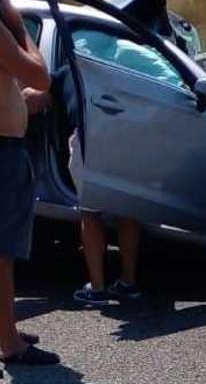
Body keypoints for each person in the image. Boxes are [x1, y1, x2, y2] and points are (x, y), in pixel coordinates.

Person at [24, 30, 160, 306]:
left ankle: (97, 288)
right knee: (128, 211)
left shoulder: (64, 73)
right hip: (124, 139)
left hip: (89, 140)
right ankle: (128, 283)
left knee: (90, 213)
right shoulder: (120, 70)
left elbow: (34, 98)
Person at [0, 0, 60, 365]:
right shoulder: (3, 30)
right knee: (3, 252)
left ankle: (7, 330)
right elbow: (40, 73)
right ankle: (10, 343)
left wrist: (20, 101)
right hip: (3, 150)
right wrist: (27, 39)